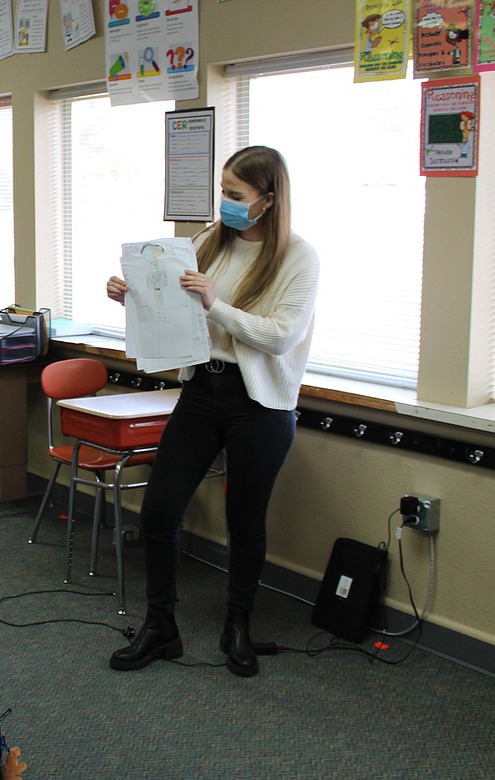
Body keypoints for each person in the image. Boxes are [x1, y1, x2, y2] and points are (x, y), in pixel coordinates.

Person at [104, 146, 319, 678]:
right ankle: (161, 627)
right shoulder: (206, 242)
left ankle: (238, 626)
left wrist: (214, 303)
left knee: (245, 521)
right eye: (223, 191)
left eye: (236, 195)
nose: (225, 203)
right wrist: (131, 296)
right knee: (159, 510)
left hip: (261, 403)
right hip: (203, 392)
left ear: (268, 200)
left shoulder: (298, 256)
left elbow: (279, 336)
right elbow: (176, 309)